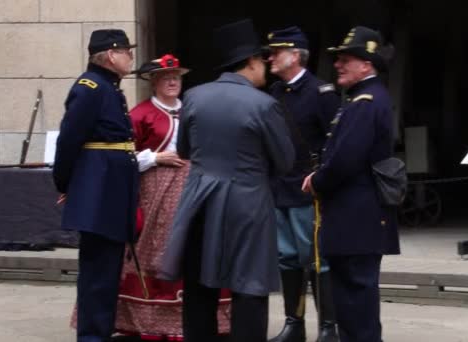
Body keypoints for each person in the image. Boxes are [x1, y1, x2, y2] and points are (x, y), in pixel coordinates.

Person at [158, 19, 295, 342]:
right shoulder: (264, 105)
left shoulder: (194, 97)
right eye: (262, 60)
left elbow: (185, 150)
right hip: (247, 203)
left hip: (199, 199)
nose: (265, 67)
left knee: (199, 284)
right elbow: (285, 161)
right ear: (250, 62)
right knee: (249, 287)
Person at [113, 54, 231, 340]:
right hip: (156, 193)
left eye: (176, 77)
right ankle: (151, 315)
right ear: (154, 82)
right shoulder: (141, 114)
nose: (172, 82)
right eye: (166, 78)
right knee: (160, 247)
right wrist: (155, 157)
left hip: (196, 189)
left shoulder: (195, 109)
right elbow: (123, 157)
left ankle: (204, 316)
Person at [302, 26, 400, 342]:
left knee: (357, 310)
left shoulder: (366, 102)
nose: (338, 65)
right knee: (352, 308)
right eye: (339, 59)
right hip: (355, 221)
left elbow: (345, 161)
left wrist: (317, 180)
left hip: (355, 220)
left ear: (366, 64)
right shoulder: (362, 99)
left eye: (346, 59)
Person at [52, 29, 139, 342]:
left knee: (106, 273)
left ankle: (99, 333)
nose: (131, 57)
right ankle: (92, 337)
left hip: (111, 191)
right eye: (127, 51)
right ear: (112, 54)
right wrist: (65, 182)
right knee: (97, 276)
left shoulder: (108, 87)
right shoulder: (90, 87)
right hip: (99, 192)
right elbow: (69, 140)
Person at [266, 26, 341, 342]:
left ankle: (328, 328)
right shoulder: (275, 93)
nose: (269, 58)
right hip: (280, 187)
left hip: (308, 191)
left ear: (295, 55)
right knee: (286, 258)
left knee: (317, 260)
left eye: (276, 52)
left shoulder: (321, 93)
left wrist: (322, 177)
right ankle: (294, 324)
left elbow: (336, 141)